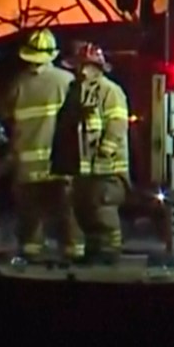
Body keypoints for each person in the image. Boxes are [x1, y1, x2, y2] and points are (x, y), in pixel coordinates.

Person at [3, 27, 82, 262]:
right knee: (66, 213)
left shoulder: (17, 84)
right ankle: (73, 252)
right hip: (57, 163)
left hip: (26, 165)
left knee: (29, 217)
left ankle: (30, 254)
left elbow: (8, 120)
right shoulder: (67, 81)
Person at [60, 41, 130, 264]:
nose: (80, 71)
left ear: (97, 67)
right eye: (78, 66)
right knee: (84, 208)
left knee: (103, 208)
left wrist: (104, 152)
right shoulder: (76, 91)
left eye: (85, 66)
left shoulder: (110, 91)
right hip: (84, 167)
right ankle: (94, 250)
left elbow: (117, 124)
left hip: (108, 168)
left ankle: (110, 251)